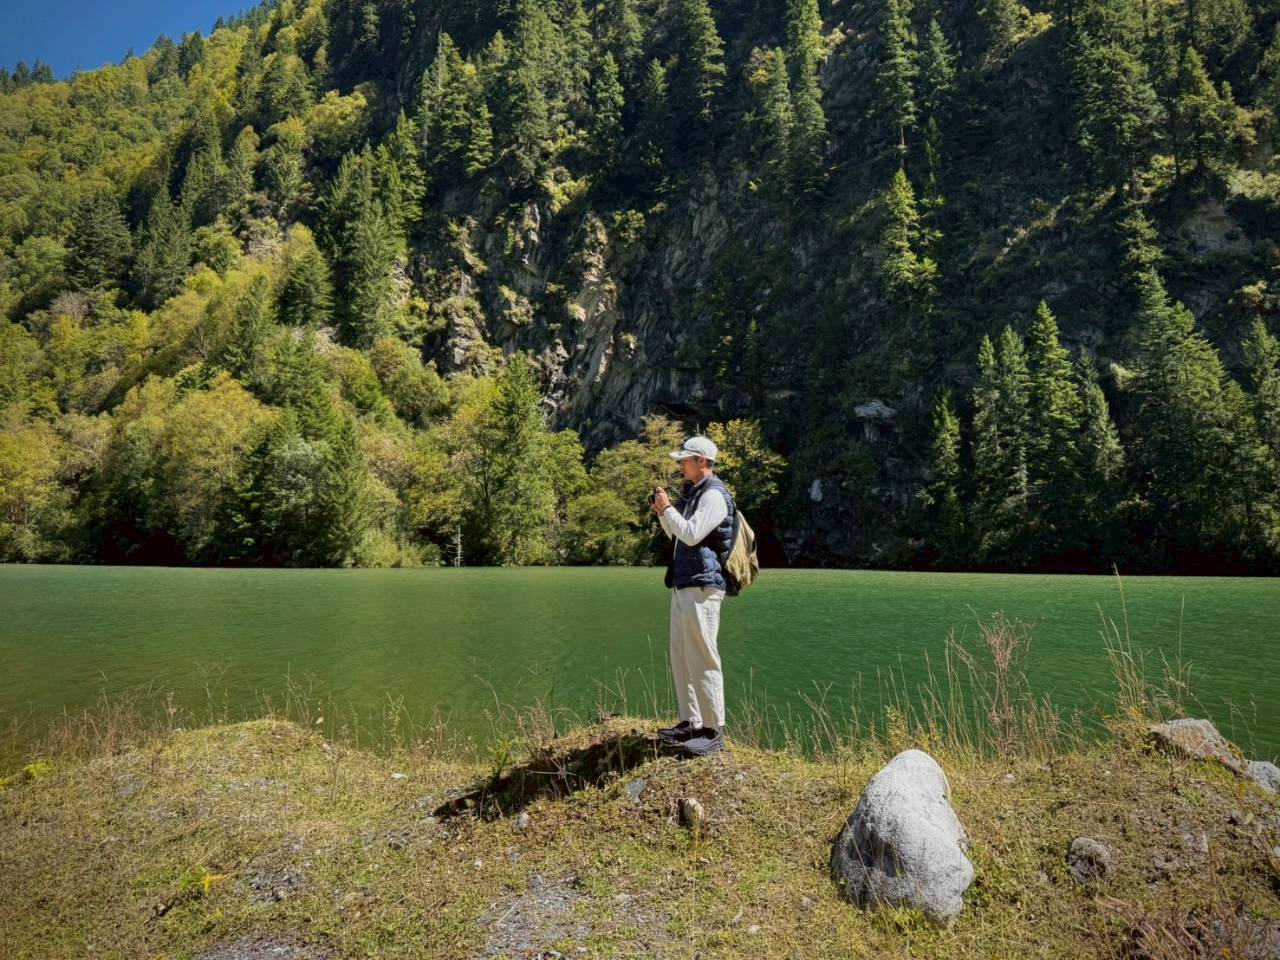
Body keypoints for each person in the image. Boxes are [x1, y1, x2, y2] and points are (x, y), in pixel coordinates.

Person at [650, 435, 736, 757]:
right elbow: (676, 534)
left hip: (702, 586)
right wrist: (663, 513)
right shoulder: (696, 493)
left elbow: (690, 534)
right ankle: (691, 722)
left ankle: (713, 732)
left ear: (702, 461)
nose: (680, 465)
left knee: (702, 656)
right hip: (685, 584)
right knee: (683, 655)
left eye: (685, 460)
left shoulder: (714, 495)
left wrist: (668, 508)